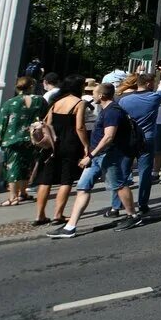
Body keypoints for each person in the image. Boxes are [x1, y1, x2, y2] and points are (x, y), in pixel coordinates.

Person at [47, 83, 141, 237]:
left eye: (95, 93)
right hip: (97, 156)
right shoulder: (106, 110)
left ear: (102, 96)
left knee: (119, 185)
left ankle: (133, 216)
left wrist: (90, 155)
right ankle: (70, 226)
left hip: (107, 156)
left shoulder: (112, 112)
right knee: (83, 187)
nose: (92, 96)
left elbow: (109, 137)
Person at [111, 71, 161, 216]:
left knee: (123, 172)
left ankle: (116, 205)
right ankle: (143, 204)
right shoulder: (153, 97)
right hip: (147, 139)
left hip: (128, 139)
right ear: (149, 84)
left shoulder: (124, 100)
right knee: (145, 173)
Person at [31, 75, 88, 226]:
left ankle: (40, 215)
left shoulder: (56, 102)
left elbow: (47, 123)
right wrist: (86, 145)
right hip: (70, 143)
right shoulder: (79, 103)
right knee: (66, 179)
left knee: (46, 179)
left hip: (53, 143)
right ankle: (58, 214)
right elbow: (80, 127)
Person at [0, 76, 47, 207]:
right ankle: (23, 193)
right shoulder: (40, 100)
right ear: (31, 86)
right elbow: (45, 117)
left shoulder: (10, 103)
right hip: (32, 138)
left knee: (12, 167)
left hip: (12, 138)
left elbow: (2, 123)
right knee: (27, 165)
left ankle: (13, 196)